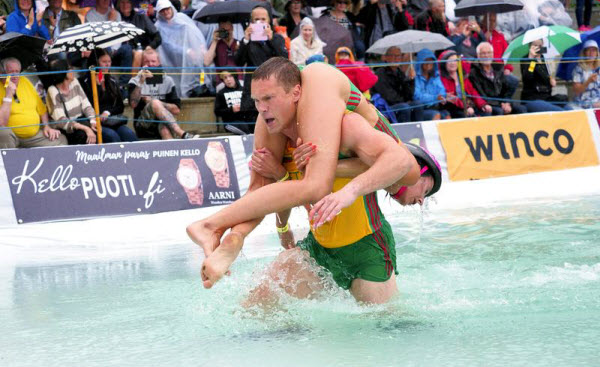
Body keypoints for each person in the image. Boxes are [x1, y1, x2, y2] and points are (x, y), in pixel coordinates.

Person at [187, 57, 422, 300]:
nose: (261, 108)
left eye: (268, 99)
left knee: (382, 327)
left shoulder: (343, 122)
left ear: (296, 93)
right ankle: (218, 231)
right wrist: (237, 235)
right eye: (257, 101)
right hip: (319, 247)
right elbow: (259, 193)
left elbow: (405, 166)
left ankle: (210, 224)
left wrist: (346, 188)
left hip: (366, 248)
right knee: (255, 309)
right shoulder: (272, 123)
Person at [234, 5, 288, 132]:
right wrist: (246, 40)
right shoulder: (246, 41)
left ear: (269, 21)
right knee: (252, 123)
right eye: (256, 19)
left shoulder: (277, 38)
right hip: (252, 87)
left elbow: (284, 59)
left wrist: (271, 39)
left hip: (273, 86)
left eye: (263, 19)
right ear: (251, 22)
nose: (260, 22)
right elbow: (238, 62)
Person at [128, 48, 197, 139]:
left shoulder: (168, 81)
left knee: (163, 126)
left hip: (165, 122)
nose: (150, 64)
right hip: (144, 125)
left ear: (159, 62)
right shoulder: (134, 81)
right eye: (147, 61)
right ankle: (182, 133)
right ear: (142, 64)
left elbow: (177, 110)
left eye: (153, 61)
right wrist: (141, 82)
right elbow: (133, 104)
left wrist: (156, 103)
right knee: (155, 102)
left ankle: (173, 151)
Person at [0, 57, 66, 148]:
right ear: (2, 73)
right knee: (3, 133)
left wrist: (46, 126)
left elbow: (41, 109)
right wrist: (8, 95)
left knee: (60, 139)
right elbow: (1, 123)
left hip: (33, 137)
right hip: (11, 137)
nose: (15, 75)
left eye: (17, 71)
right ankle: (11, 161)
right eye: (11, 72)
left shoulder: (25, 81)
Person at [80, 48, 138, 143]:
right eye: (104, 61)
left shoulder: (112, 81)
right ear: (95, 63)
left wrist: (107, 112)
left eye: (109, 61)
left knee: (130, 135)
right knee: (112, 137)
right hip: (95, 123)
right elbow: (87, 106)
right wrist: (97, 87)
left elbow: (120, 107)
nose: (108, 64)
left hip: (111, 121)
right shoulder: (83, 82)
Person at [155, 0, 208, 98]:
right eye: (162, 10)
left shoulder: (182, 18)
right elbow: (167, 44)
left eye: (167, 9)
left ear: (171, 8)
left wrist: (200, 47)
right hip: (171, 61)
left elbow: (194, 33)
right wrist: (187, 51)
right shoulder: (158, 26)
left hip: (190, 58)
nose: (166, 12)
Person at [46, 59, 98, 145]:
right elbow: (62, 121)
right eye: (70, 68)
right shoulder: (53, 90)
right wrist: (86, 128)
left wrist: (93, 121)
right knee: (84, 136)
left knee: (101, 132)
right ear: (63, 72)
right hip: (68, 129)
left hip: (81, 122)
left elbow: (86, 105)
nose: (73, 69)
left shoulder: (74, 82)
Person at [469, 42, 527, 116]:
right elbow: (482, 95)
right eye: (483, 53)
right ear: (478, 55)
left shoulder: (498, 67)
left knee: (521, 109)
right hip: (487, 103)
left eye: (488, 53)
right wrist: (501, 104)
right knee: (499, 111)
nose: (486, 56)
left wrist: (507, 103)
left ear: (492, 54)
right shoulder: (474, 72)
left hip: (500, 102)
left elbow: (505, 89)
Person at [370, 46, 421, 123]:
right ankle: (403, 134)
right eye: (393, 56)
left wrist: (411, 80)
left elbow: (409, 95)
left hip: (399, 103)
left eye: (398, 56)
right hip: (385, 107)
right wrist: (404, 101)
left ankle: (418, 132)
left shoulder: (399, 72)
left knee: (417, 104)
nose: (396, 58)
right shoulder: (380, 73)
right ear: (386, 58)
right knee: (404, 107)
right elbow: (389, 96)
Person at [520, 40, 570, 113]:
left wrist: (550, 80)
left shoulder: (544, 59)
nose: (538, 48)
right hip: (532, 98)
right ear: (530, 46)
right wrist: (531, 59)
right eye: (535, 45)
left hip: (546, 97)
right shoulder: (526, 59)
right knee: (560, 112)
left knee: (569, 110)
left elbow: (545, 77)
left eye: (540, 45)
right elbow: (527, 77)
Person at [438, 49, 491, 118]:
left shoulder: (462, 75)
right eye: (449, 61)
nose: (453, 63)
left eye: (455, 60)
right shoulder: (442, 79)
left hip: (468, 105)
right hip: (455, 108)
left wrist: (483, 104)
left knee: (488, 112)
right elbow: (452, 98)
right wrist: (466, 107)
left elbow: (473, 92)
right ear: (444, 64)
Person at [116, 0, 162, 73]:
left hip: (139, 50)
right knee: (128, 50)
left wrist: (150, 46)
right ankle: (129, 82)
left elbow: (157, 37)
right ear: (118, 4)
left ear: (132, 4)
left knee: (147, 55)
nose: (125, 5)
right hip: (119, 52)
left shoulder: (141, 17)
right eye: (122, 2)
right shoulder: (115, 16)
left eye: (128, 2)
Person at [481, 12, 519, 99]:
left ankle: (505, 102)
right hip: (487, 70)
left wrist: (508, 68)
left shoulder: (499, 36)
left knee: (513, 81)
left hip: (500, 70)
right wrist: (484, 39)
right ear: (484, 21)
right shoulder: (478, 36)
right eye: (490, 20)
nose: (492, 23)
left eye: (494, 21)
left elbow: (507, 54)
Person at [203, 16, 240, 84]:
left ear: (232, 28)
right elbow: (206, 62)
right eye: (224, 30)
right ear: (219, 30)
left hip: (238, 80)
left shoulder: (239, 44)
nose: (227, 33)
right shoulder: (216, 45)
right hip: (222, 82)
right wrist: (214, 41)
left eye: (228, 30)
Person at [414, 48, 447, 120]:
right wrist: (435, 98)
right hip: (422, 110)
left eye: (431, 60)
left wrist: (442, 97)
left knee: (447, 115)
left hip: (436, 107)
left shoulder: (435, 77)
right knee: (436, 115)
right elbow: (417, 96)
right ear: (420, 62)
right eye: (426, 60)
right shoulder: (415, 78)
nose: (428, 63)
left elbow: (442, 91)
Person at [572, 40, 600, 109]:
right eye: (589, 50)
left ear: (597, 53)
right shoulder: (578, 69)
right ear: (584, 53)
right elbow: (577, 91)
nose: (591, 53)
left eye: (594, 50)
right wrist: (588, 81)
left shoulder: (598, 68)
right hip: (584, 103)